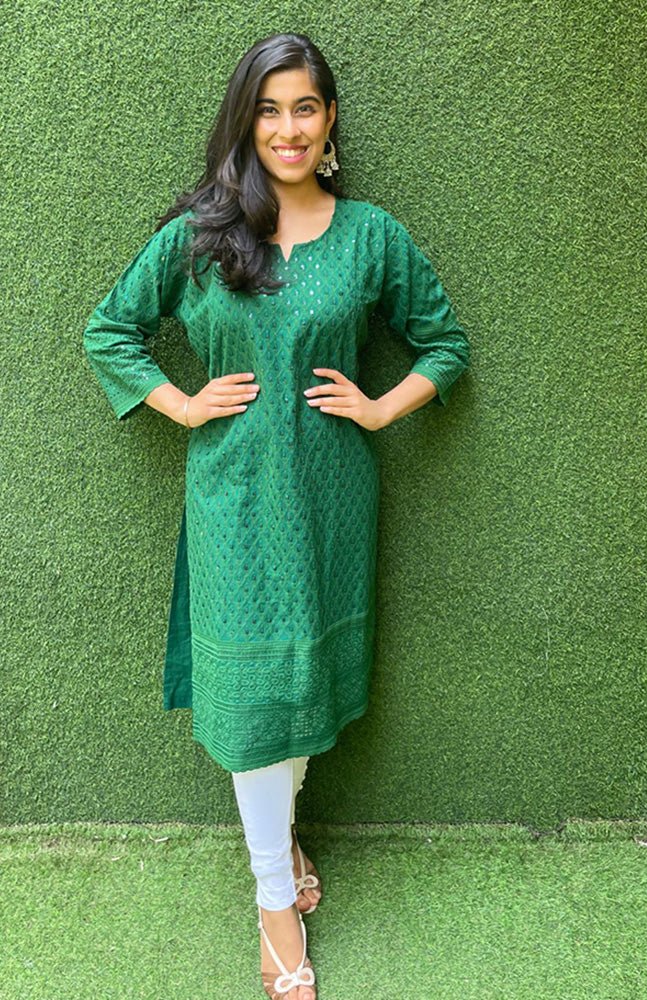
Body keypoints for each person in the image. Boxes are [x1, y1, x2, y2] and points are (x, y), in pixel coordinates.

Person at [82, 30, 470, 1000]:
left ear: (330, 121)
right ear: (244, 122)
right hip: (234, 501)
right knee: (253, 699)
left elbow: (445, 343)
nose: (287, 128)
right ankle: (272, 903)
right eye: (268, 108)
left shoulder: (372, 236)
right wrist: (181, 403)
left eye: (304, 107)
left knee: (302, 680)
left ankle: (282, 840)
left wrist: (381, 408)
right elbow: (111, 329)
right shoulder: (203, 234)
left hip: (333, 500)